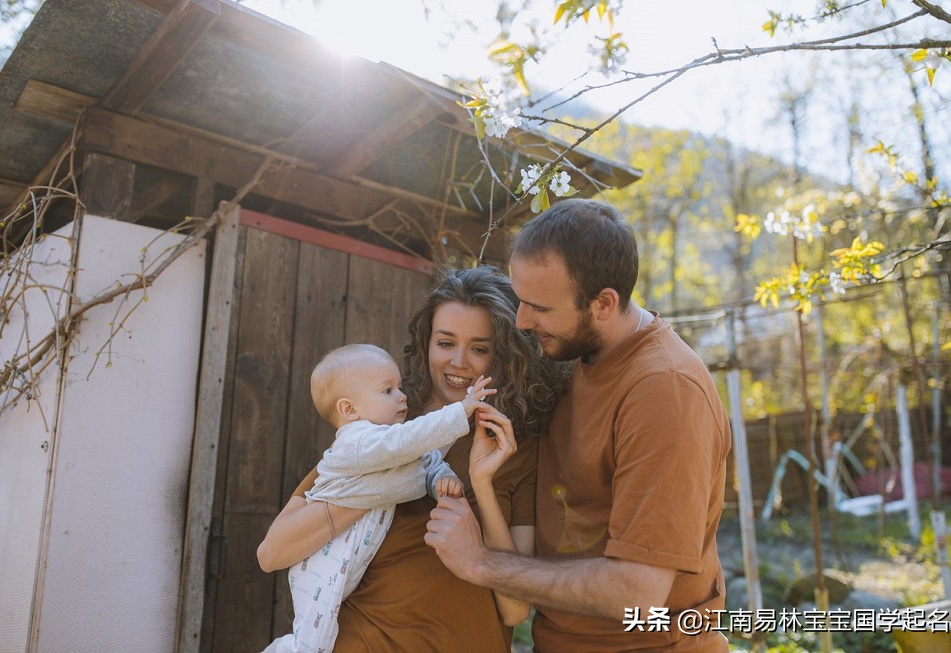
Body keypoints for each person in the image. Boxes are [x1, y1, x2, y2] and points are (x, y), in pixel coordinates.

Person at [425, 198, 732, 652]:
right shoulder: (571, 358)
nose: (522, 321)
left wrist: (480, 562)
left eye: (540, 307)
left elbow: (637, 591)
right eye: (521, 300)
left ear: (603, 303)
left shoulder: (665, 390)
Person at [257, 266, 566, 652]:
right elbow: (271, 553)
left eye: (479, 348)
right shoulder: (384, 425)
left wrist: (481, 495)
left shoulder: (515, 447)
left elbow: (516, 611)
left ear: (503, 354)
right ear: (427, 343)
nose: (458, 362)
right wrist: (384, 486)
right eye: (446, 343)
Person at [263, 343, 494, 653]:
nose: (401, 396)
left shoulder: (389, 441)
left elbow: (424, 459)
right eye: (387, 391)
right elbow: (408, 441)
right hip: (325, 556)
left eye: (399, 387)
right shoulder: (357, 442)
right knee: (311, 640)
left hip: (353, 558)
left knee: (324, 634)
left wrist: (442, 478)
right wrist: (461, 410)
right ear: (349, 410)